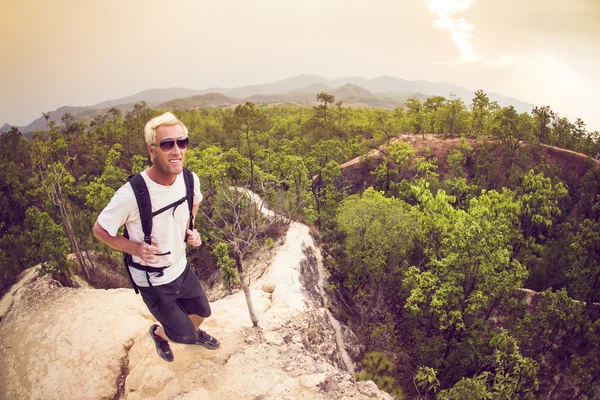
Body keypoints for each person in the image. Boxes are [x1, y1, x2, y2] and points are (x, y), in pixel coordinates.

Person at [93, 112, 219, 362]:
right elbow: (100, 230)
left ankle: (189, 330)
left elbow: (193, 203)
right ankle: (161, 333)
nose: (176, 150)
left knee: (203, 312)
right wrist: (134, 248)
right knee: (184, 336)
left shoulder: (189, 179)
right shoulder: (132, 194)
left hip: (181, 267)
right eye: (167, 144)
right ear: (152, 151)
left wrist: (189, 229)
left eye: (182, 142)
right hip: (154, 279)